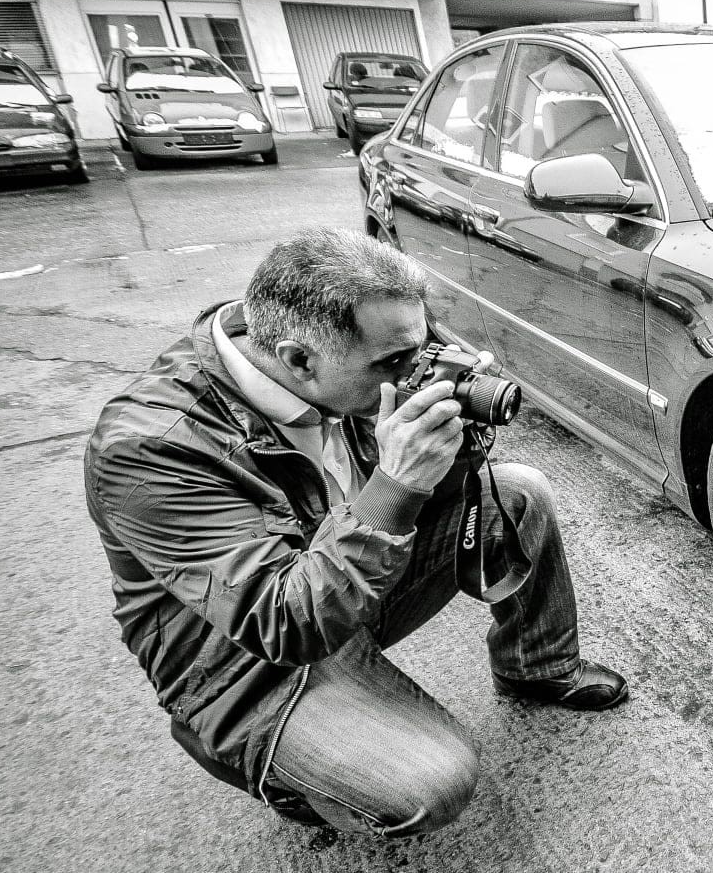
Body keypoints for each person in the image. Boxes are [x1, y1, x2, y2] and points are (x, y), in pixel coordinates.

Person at [85, 227, 628, 838]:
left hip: (344, 578)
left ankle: (536, 665)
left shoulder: (335, 371)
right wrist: (397, 485)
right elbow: (283, 620)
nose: (414, 370)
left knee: (518, 490)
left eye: (419, 349)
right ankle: (263, 759)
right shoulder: (149, 448)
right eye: (394, 362)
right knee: (431, 785)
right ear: (297, 359)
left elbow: (438, 497)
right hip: (248, 657)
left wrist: (454, 452)